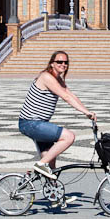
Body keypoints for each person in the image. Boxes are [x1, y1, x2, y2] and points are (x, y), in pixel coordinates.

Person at [17, 50, 96, 180]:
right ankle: (41, 164)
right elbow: (65, 97)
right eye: (59, 62)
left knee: (51, 161)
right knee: (68, 137)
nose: (63, 64)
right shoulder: (46, 77)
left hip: (39, 123)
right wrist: (85, 112)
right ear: (52, 64)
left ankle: (54, 195)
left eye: (65, 62)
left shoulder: (58, 79)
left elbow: (71, 95)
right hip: (30, 123)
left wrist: (87, 111)